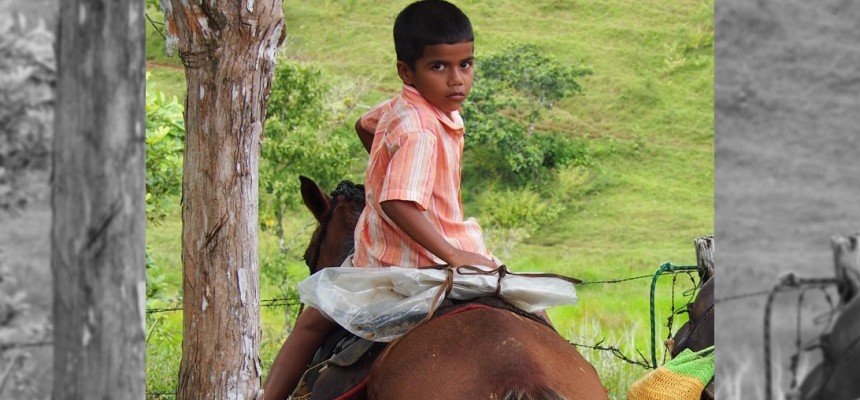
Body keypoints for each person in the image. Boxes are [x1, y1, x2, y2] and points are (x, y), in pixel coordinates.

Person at [263, 1, 495, 398]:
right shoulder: (422, 130)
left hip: (383, 260)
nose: (457, 80)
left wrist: (387, 166)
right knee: (529, 305)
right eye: (439, 67)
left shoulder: (405, 109)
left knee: (311, 323)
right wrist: (453, 255)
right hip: (429, 257)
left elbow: (364, 124)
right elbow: (396, 204)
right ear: (407, 71)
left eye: (466, 65)